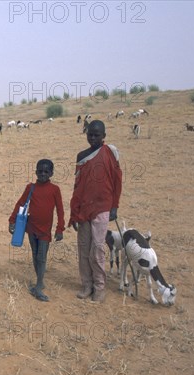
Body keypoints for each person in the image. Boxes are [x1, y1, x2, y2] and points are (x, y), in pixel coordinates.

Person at [69, 120, 122, 303]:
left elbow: (117, 181)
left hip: (102, 207)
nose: (92, 137)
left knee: (97, 249)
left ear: (103, 136)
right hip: (83, 208)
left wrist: (114, 206)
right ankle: (87, 285)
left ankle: (100, 287)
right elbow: (77, 186)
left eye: (96, 135)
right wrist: (74, 212)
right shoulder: (81, 155)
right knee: (84, 248)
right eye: (90, 134)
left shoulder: (110, 153)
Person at [9, 159, 65, 302]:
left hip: (45, 231)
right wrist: (12, 220)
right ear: (35, 172)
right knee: (35, 255)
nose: (42, 174)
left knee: (42, 257)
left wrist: (60, 228)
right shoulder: (30, 188)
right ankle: (40, 280)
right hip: (31, 228)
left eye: (46, 171)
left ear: (51, 173)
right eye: (40, 171)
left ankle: (39, 285)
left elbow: (60, 210)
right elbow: (20, 203)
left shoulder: (55, 190)